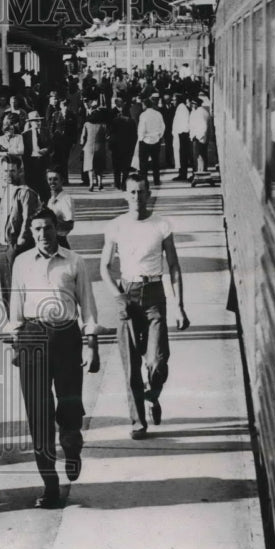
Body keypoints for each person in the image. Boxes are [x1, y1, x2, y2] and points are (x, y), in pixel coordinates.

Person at [8, 208, 101, 508]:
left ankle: (72, 448)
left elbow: (87, 306)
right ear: (31, 231)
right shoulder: (21, 263)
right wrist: (16, 343)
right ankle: (50, 485)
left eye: (47, 228)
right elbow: (16, 306)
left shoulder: (75, 262)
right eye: (36, 229)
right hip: (32, 337)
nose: (42, 234)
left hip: (67, 338)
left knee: (70, 405)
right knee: (38, 414)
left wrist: (92, 344)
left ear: (57, 228)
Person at [99, 174, 189, 440]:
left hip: (154, 294)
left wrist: (180, 306)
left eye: (141, 192)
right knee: (131, 365)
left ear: (149, 193)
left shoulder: (161, 225)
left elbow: (173, 265)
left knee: (158, 360)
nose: (137, 198)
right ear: (126, 195)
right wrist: (119, 297)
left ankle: (153, 395)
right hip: (127, 293)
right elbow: (103, 268)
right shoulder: (115, 226)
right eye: (132, 193)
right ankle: (138, 422)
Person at [0, 155, 41, 311]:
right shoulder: (7, 191)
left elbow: (28, 219)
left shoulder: (26, 192)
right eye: (5, 171)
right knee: (7, 287)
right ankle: (12, 323)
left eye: (12, 171)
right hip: (5, 244)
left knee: (19, 287)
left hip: (18, 246)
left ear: (20, 171)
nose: (8, 175)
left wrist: (20, 242)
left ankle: (20, 326)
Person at [0, 117, 25, 227]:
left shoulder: (19, 137)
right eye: (7, 130)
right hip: (4, 168)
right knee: (4, 191)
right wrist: (10, 152)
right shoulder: (0, 139)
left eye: (11, 129)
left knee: (17, 189)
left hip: (16, 167)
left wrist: (6, 151)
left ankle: (17, 213)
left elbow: (21, 150)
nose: (9, 132)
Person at [22, 111, 51, 201]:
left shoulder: (45, 132)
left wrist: (47, 149)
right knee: (31, 184)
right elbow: (24, 151)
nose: (38, 123)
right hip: (30, 162)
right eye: (35, 121)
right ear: (30, 122)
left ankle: (45, 204)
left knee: (44, 185)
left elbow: (52, 145)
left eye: (39, 121)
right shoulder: (25, 135)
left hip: (42, 160)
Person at [136, 98, 166, 186]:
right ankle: (156, 180)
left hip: (145, 140)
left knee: (143, 163)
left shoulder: (143, 115)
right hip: (156, 140)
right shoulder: (158, 114)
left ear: (145, 105)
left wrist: (140, 138)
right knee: (156, 162)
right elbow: (163, 127)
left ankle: (144, 181)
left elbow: (141, 128)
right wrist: (159, 136)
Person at [109, 102, 137, 191]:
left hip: (116, 147)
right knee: (126, 167)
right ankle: (124, 184)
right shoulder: (132, 122)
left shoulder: (115, 120)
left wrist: (111, 145)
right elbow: (134, 136)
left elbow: (111, 134)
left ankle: (117, 184)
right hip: (128, 148)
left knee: (116, 167)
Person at [79, 106, 109, 191]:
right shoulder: (103, 125)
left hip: (89, 148)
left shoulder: (87, 124)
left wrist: (82, 146)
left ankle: (91, 184)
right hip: (100, 148)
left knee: (90, 168)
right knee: (99, 167)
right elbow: (107, 137)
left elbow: (83, 138)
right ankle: (100, 183)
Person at [45, 168, 75, 249]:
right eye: (49, 179)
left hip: (61, 243)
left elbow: (69, 225)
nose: (52, 182)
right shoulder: (50, 200)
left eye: (55, 179)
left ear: (62, 180)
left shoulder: (66, 199)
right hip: (51, 242)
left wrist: (51, 223)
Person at [170, 93, 192, 181]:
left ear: (179, 100)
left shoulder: (182, 108)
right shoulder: (180, 108)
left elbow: (185, 124)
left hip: (182, 136)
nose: (173, 101)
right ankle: (181, 173)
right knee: (180, 155)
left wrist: (180, 133)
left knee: (182, 156)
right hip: (179, 135)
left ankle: (183, 174)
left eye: (174, 100)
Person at [189, 97, 211, 175]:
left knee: (198, 156)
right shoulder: (197, 111)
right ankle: (200, 172)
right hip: (197, 137)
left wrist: (198, 137)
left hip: (199, 138)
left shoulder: (200, 112)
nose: (192, 105)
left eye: (193, 104)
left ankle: (200, 173)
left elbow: (203, 126)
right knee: (200, 156)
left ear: (197, 104)